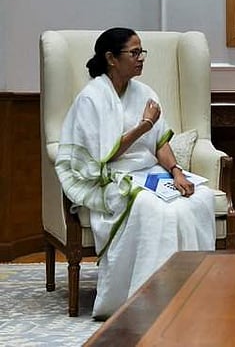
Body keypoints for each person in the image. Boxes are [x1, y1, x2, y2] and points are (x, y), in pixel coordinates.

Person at [55, 27, 216, 319]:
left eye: (142, 52)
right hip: (111, 177)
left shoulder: (145, 93)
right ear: (111, 58)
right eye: (134, 53)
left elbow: (160, 142)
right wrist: (144, 125)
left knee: (198, 200)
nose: (141, 58)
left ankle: (192, 291)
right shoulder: (91, 99)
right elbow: (104, 156)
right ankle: (149, 300)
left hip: (149, 172)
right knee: (154, 209)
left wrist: (176, 171)